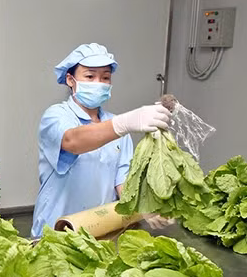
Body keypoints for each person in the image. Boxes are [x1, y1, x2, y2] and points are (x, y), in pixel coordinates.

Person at [31, 43, 172, 237]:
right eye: (90, 76)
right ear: (71, 80)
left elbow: (123, 183)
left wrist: (145, 208)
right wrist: (122, 124)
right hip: (57, 229)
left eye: (105, 77)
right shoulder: (56, 116)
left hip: (99, 229)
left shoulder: (118, 129)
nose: (99, 83)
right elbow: (72, 141)